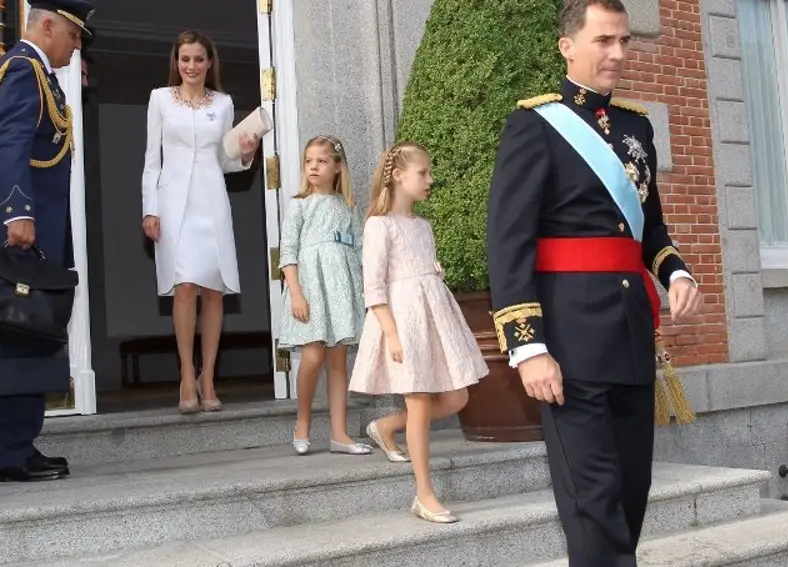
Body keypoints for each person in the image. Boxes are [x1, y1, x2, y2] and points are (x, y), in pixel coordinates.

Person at [487, 0, 703, 563]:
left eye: (625, 41)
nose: (618, 53)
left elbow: (648, 226)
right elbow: (509, 244)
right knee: (593, 502)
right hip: (568, 342)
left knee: (631, 494)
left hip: (632, 336)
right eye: (605, 40)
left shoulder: (636, 127)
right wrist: (528, 346)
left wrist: (675, 271)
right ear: (568, 46)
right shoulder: (534, 124)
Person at [0, 0, 95, 483]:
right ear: (48, 25)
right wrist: (18, 211)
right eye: (74, 35)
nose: (77, 46)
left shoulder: (41, 75)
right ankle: (6, 452)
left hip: (32, 235)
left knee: (29, 335)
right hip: (13, 233)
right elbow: (10, 141)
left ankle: (20, 443)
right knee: (7, 339)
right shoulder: (21, 69)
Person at [350, 142, 489, 524]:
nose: (430, 179)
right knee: (420, 401)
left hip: (433, 318)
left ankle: (386, 426)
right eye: (423, 173)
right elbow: (374, 286)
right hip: (403, 320)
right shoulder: (380, 225)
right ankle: (424, 493)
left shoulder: (423, 225)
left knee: (457, 396)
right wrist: (391, 333)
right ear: (398, 176)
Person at [140, 30, 260, 413]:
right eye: (185, 59)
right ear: (177, 62)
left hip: (212, 201)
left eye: (198, 59)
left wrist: (246, 153)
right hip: (173, 203)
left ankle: (209, 376)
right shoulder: (159, 99)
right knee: (185, 285)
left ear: (210, 63)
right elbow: (151, 161)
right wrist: (150, 208)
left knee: (214, 290)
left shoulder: (223, 103)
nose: (191, 66)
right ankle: (186, 374)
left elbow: (226, 162)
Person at [278, 135, 371, 457]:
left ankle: (339, 434)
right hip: (311, 287)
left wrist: (362, 293)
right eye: (308, 161)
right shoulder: (300, 204)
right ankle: (302, 422)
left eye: (321, 161)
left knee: (337, 361)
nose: (313, 166)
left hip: (342, 289)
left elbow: (359, 249)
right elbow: (287, 253)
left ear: (337, 167)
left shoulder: (348, 206)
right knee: (313, 356)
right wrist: (297, 296)